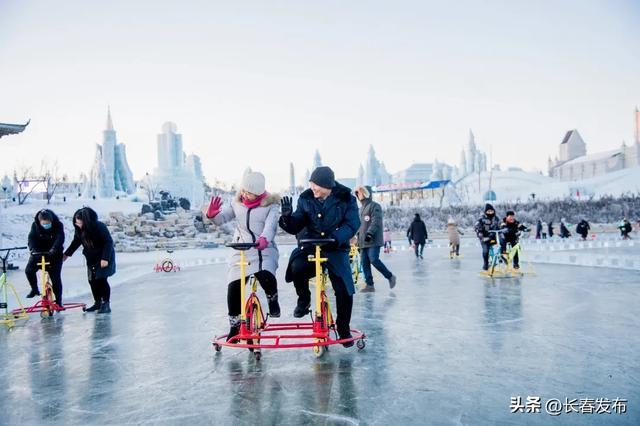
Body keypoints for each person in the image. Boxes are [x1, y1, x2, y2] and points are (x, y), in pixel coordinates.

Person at [279, 166, 360, 347]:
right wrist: (286, 218)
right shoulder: (306, 198)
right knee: (296, 268)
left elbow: (353, 223)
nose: (313, 188)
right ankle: (304, 299)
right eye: (312, 184)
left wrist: (337, 239)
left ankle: (343, 326)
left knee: (343, 287)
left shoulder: (346, 198)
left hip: (335, 248)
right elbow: (296, 224)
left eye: (316, 185)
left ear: (327, 185)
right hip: (310, 245)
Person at [202, 170, 281, 341]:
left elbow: (271, 226)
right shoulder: (237, 203)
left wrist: (264, 239)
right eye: (244, 190)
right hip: (241, 249)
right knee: (234, 286)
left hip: (264, 249)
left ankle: (272, 297)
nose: (245, 194)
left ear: (259, 193)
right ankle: (235, 325)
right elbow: (221, 220)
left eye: (249, 192)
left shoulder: (271, 206)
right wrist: (212, 215)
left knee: (265, 275)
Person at [63, 207, 115, 313]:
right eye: (76, 223)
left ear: (86, 221)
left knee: (101, 279)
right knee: (92, 281)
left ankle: (106, 303)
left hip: (104, 256)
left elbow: (108, 242)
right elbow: (76, 242)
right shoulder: (79, 230)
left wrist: (105, 258)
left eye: (80, 223)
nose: (78, 225)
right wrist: (66, 255)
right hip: (91, 258)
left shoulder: (99, 226)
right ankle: (97, 303)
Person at [354, 185, 397, 293]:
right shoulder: (360, 210)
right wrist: (356, 238)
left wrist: (369, 234)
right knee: (364, 263)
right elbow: (359, 226)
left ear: (365, 193)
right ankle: (370, 285)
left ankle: (390, 277)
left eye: (359, 193)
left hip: (372, 240)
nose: (358, 195)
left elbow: (376, 221)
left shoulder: (374, 206)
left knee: (373, 259)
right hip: (363, 242)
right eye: (357, 194)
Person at [25, 209, 65, 305]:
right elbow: (31, 238)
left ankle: (58, 300)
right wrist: (32, 249)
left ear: (51, 221)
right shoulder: (35, 226)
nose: (46, 225)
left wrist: (54, 249)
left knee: (55, 278)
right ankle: (34, 289)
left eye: (48, 223)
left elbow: (60, 238)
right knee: (29, 270)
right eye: (44, 223)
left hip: (54, 254)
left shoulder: (58, 225)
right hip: (38, 253)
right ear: (39, 222)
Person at [474, 204, 501, 271]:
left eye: (491, 211)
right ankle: (485, 263)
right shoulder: (481, 219)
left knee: (500, 248)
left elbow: (500, 225)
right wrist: (480, 234)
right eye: (488, 211)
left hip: (494, 237)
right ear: (485, 211)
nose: (490, 212)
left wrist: (503, 228)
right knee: (486, 251)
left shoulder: (496, 218)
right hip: (485, 238)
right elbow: (477, 227)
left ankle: (499, 261)